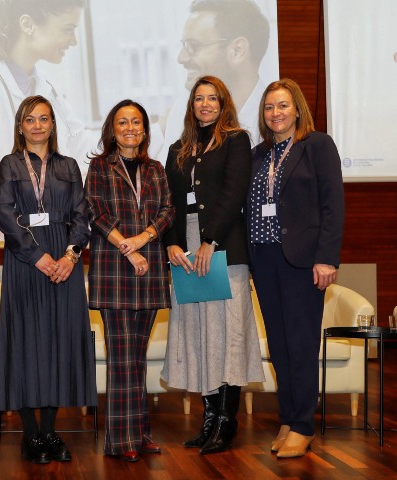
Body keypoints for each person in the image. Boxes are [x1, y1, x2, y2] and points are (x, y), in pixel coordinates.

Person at [161, 75, 264, 454]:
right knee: (201, 333)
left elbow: (233, 193)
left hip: (222, 247)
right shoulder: (177, 148)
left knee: (228, 334)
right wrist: (172, 243)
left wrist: (210, 241)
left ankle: (226, 422)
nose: (205, 104)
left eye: (212, 99)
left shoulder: (237, 140)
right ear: (191, 105)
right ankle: (207, 422)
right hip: (185, 249)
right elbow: (170, 203)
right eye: (198, 98)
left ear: (223, 104)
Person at [0, 95, 96, 464]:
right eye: (30, 120)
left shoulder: (69, 165)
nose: (37, 125)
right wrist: (37, 257)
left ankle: (51, 431)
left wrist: (71, 255)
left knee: (58, 344)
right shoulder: (7, 165)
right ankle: (30, 434)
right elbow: (5, 213)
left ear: (53, 124)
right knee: (25, 344)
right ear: (20, 126)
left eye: (44, 119)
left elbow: (82, 214)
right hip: (26, 261)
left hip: (64, 262)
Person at [247, 78, 344, 458]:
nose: (276, 113)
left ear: (297, 108)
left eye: (283, 105)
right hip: (265, 260)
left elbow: (332, 206)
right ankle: (287, 418)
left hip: (303, 261)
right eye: (270, 107)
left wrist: (327, 257)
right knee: (281, 346)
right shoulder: (259, 155)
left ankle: (303, 425)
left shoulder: (317, 146)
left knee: (301, 345)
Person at [84, 100, 175, 461]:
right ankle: (120, 440)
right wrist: (128, 246)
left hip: (149, 270)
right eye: (122, 122)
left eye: (136, 122)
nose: (130, 128)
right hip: (114, 272)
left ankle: (140, 432)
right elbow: (95, 211)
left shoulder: (155, 168)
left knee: (137, 359)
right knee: (121, 359)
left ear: (144, 129)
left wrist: (144, 239)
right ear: (112, 129)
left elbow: (168, 210)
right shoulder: (99, 167)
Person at [0, 0, 96, 173]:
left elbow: (80, 144)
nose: (74, 41)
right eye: (67, 29)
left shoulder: (47, 86)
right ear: (28, 24)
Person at [150, 0, 271, 160]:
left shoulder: (273, 121)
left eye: (193, 46)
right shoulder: (182, 110)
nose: (181, 58)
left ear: (237, 50)